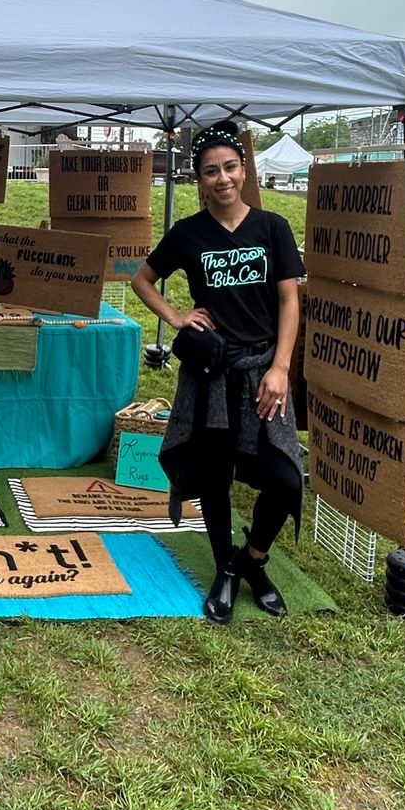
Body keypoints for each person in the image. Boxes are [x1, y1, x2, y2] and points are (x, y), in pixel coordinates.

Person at [130, 122, 304, 624]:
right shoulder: (188, 233)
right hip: (211, 374)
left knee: (285, 478)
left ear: (243, 171)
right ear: (199, 178)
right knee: (213, 476)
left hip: (263, 374)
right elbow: (143, 280)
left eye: (230, 167)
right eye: (211, 171)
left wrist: (280, 368)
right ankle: (224, 568)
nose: (222, 178)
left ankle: (253, 560)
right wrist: (176, 317)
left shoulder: (272, 228)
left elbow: (290, 300)